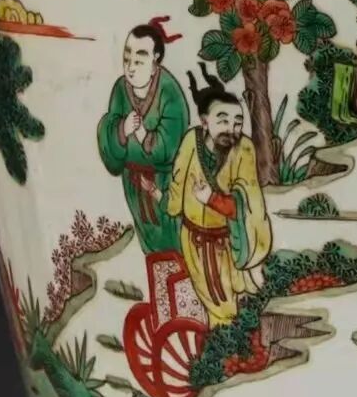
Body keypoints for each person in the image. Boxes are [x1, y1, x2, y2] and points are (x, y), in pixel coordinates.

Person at [166, 66, 272, 326]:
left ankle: (228, 341)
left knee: (229, 303)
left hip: (228, 240)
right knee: (215, 303)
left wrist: (211, 199)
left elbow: (246, 202)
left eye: (237, 122)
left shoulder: (244, 148)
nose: (231, 129)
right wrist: (171, 206)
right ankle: (224, 341)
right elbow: (178, 179)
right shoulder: (191, 141)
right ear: (205, 122)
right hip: (193, 238)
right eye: (223, 120)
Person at [96, 19, 189, 254]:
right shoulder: (121, 89)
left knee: (174, 236)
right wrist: (121, 130)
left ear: (155, 59)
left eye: (138, 60)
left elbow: (172, 145)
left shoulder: (169, 92)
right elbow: (108, 129)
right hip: (134, 182)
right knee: (147, 239)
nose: (130, 67)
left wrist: (143, 135)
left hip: (165, 181)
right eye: (126, 59)